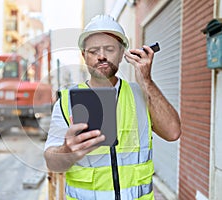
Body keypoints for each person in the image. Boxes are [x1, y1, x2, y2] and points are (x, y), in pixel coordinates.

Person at [44, 14, 181, 200]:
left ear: (122, 53)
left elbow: (172, 132)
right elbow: (53, 162)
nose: (101, 56)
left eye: (109, 49)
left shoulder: (141, 93)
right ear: (84, 55)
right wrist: (67, 151)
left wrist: (146, 80)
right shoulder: (66, 101)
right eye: (93, 51)